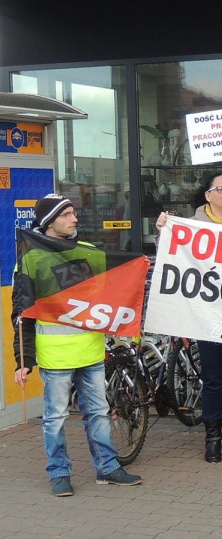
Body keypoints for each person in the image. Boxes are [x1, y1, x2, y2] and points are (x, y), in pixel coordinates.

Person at [12, 193, 142, 497]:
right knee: (55, 417)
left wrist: (140, 262)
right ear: (49, 222)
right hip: (55, 356)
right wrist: (24, 360)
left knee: (98, 412)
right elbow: (22, 315)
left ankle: (107, 468)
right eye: (66, 214)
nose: (74, 219)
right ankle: (59, 472)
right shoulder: (30, 259)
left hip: (92, 352)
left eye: (73, 213)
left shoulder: (89, 252)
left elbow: (117, 281)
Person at [156, 172, 222, 463]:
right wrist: (164, 231)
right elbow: (170, 256)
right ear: (207, 196)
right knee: (213, 380)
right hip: (207, 317)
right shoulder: (190, 227)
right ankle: (213, 441)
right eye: (220, 188)